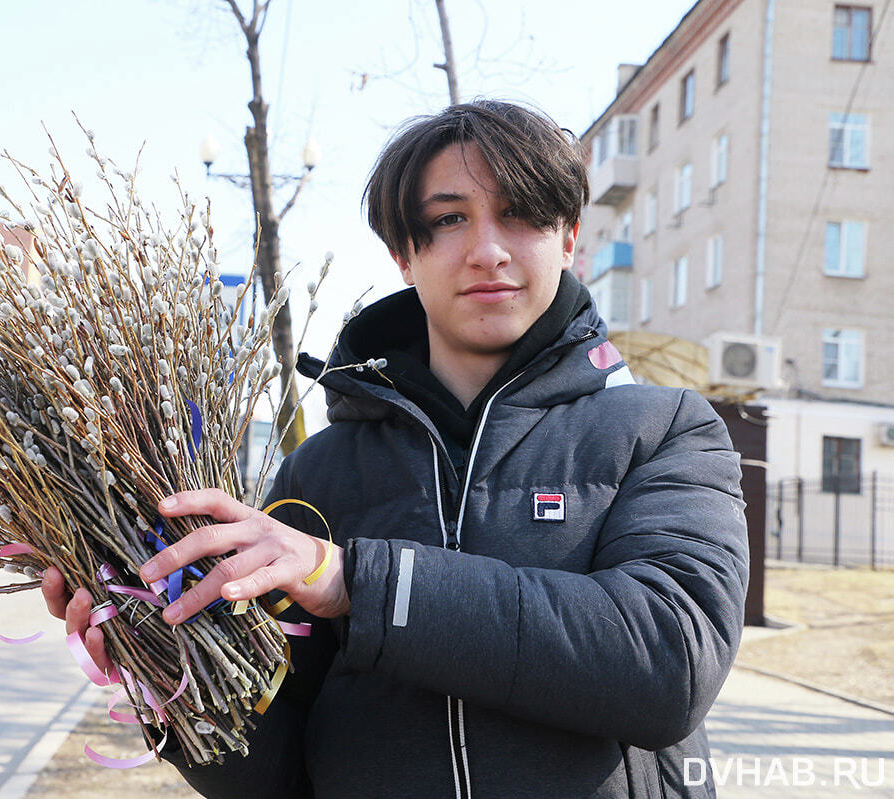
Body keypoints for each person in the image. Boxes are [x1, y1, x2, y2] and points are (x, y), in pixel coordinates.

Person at [42, 99, 749, 798]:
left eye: (522, 213)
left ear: (567, 240)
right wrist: (170, 672)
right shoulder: (318, 472)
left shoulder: (663, 429)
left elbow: (670, 666)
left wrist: (361, 584)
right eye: (448, 219)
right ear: (403, 254)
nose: (487, 249)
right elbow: (279, 772)